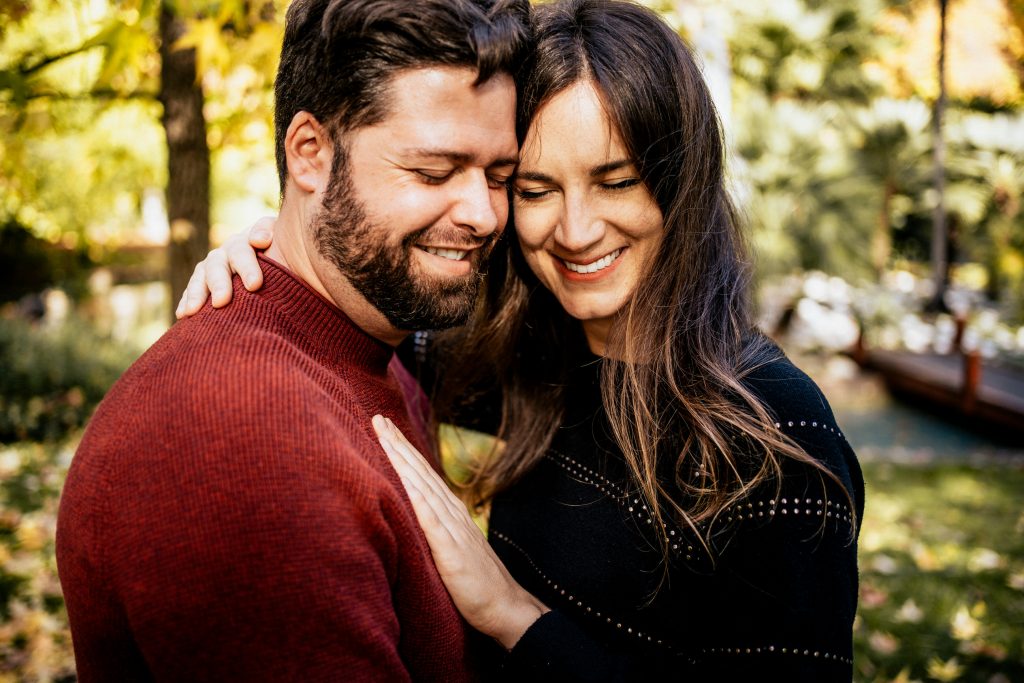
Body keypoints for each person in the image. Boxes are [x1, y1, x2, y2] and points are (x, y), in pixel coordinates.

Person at [181, 0, 865, 680]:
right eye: (534, 190)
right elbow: (359, 314)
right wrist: (271, 255)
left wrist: (514, 615)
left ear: (681, 178)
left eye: (616, 181)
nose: (575, 230)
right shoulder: (535, 358)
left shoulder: (780, 432)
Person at [55, 0, 532, 680]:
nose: (483, 214)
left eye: (500, 177)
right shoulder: (237, 432)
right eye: (432, 172)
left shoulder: (368, 348)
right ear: (310, 153)